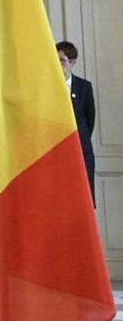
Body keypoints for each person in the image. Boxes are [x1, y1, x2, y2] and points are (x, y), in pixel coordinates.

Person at [57, 41, 96, 206]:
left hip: (82, 151)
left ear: (72, 62)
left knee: (83, 200)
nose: (58, 64)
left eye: (62, 61)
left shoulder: (84, 87)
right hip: (57, 152)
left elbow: (89, 120)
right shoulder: (47, 86)